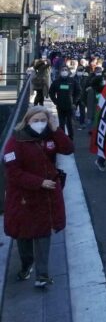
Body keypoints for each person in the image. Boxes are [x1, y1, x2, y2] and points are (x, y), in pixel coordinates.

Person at [3, 106, 74, 288]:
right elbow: (13, 173)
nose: (40, 124)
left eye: (43, 120)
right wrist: (39, 182)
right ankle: (27, 265)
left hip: (46, 197)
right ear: (27, 121)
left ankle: (42, 275)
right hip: (23, 198)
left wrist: (56, 129)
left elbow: (68, 148)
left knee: (43, 233)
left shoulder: (50, 136)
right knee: (24, 235)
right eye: (36, 120)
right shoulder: (16, 141)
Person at [49, 67, 80, 142]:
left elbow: (78, 92)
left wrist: (74, 102)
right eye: (62, 70)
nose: (64, 71)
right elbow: (51, 92)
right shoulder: (56, 82)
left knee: (70, 123)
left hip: (70, 106)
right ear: (60, 72)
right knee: (61, 123)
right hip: (60, 106)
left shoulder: (73, 81)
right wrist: (56, 102)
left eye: (66, 70)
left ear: (68, 71)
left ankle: (71, 139)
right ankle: (62, 138)